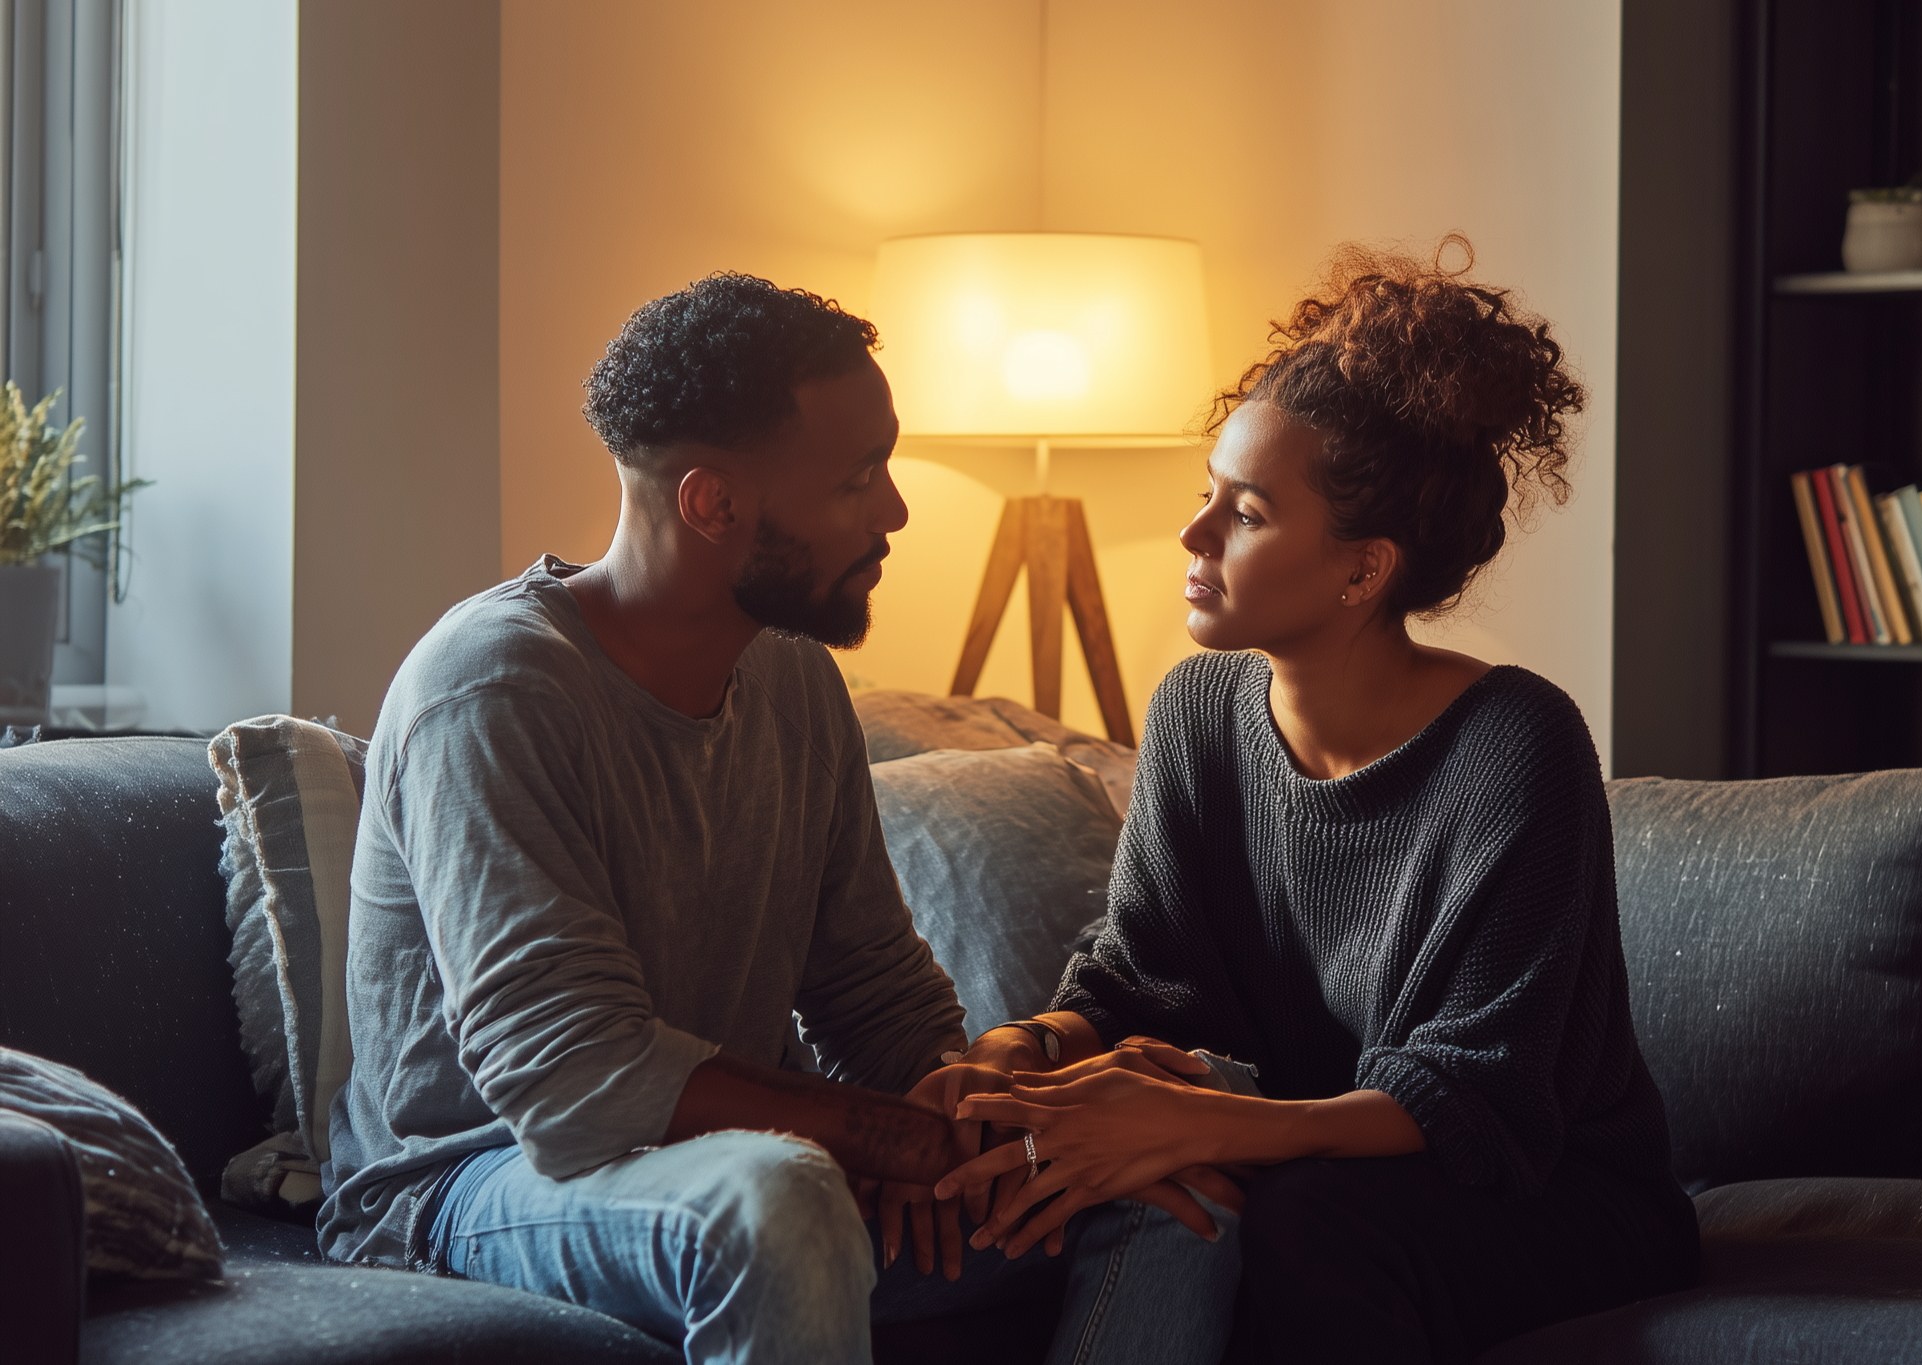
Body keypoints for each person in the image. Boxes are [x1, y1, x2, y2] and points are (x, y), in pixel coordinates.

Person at [318, 273, 1239, 1364]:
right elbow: (574, 1084)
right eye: (859, 479)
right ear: (712, 503)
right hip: (476, 1183)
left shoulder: (793, 677)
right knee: (783, 1193)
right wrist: (894, 1140)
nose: (895, 510)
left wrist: (962, 1108)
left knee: (1169, 1156)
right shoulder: (493, 689)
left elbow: (870, 989)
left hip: (751, 1160)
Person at [938, 240, 1701, 1362]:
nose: (1194, 537)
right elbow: (1149, 977)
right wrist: (1028, 1044)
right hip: (1301, 1151)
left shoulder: (1514, 745)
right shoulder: (1197, 711)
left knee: (1302, 1221)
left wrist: (1205, 1124)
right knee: (1113, 1172)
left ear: (1363, 569)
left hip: (1550, 1199)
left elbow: (1470, 1099)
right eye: (1206, 494)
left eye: (1243, 513)